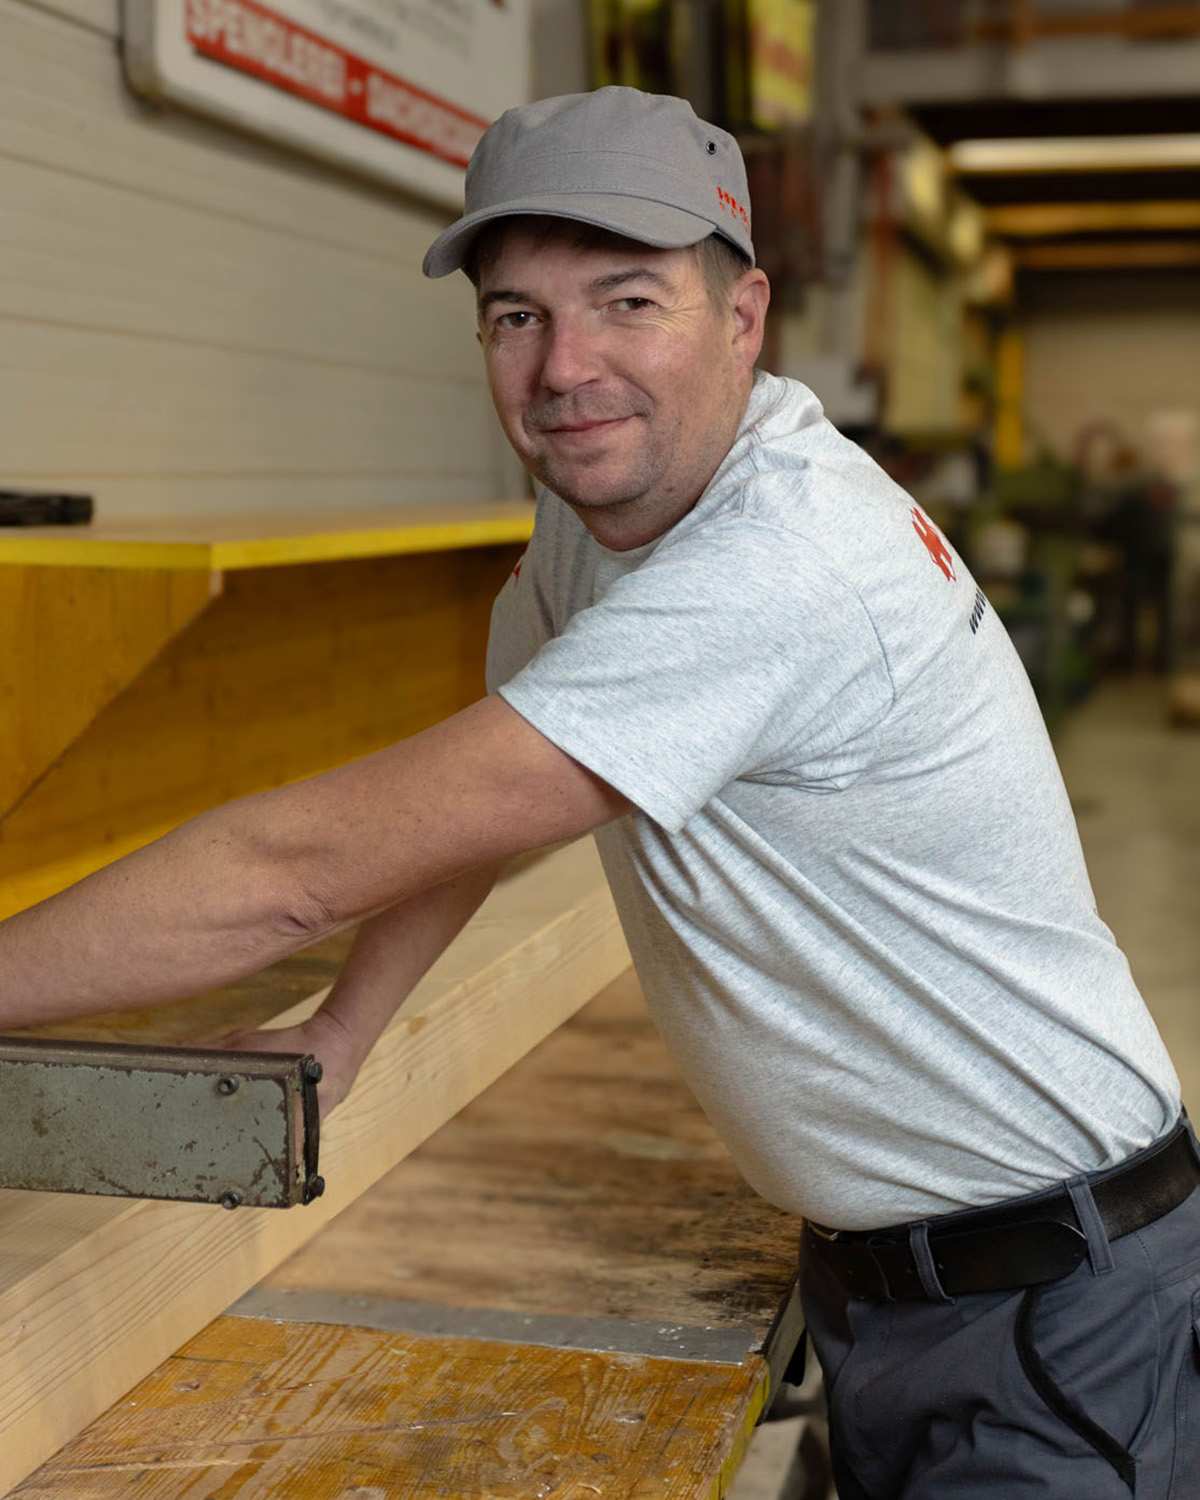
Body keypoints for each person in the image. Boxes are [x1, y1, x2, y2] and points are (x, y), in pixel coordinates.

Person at [0, 88, 1196, 1497]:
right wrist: (346, 1024)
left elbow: (296, 873)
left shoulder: (781, 561)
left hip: (1052, 1311)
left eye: (629, 300)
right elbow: (479, 793)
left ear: (743, 318)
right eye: (518, 316)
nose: (567, 367)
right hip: (895, 1290)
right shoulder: (589, 526)